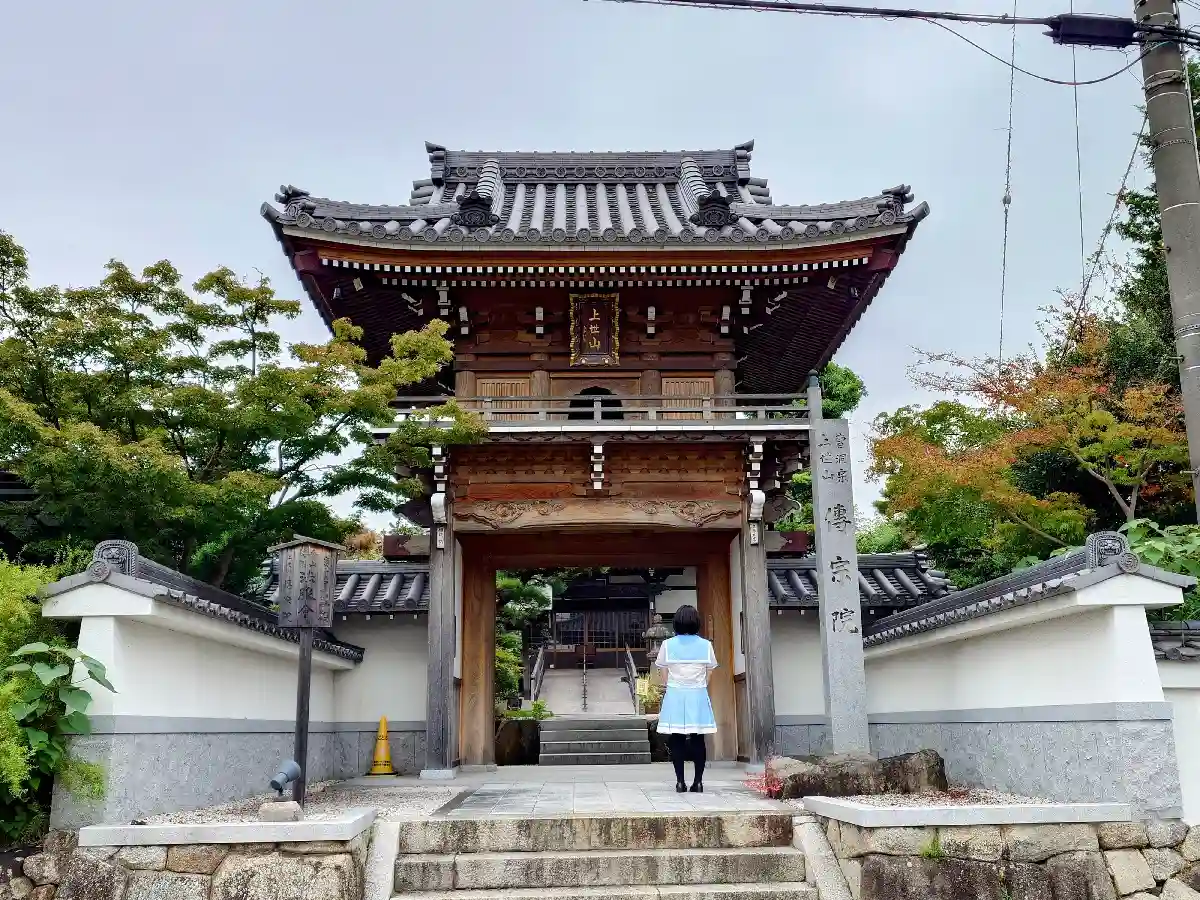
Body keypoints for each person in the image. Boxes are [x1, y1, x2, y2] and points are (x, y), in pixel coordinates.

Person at [653, 604, 718, 793]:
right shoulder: (706, 645)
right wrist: (698, 685)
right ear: (696, 622)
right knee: (698, 739)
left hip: (675, 694)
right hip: (697, 694)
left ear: (677, 622)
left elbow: (663, 672)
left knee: (677, 739)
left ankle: (680, 782)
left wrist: (674, 686)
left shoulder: (668, 645)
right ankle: (698, 782)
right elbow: (709, 672)